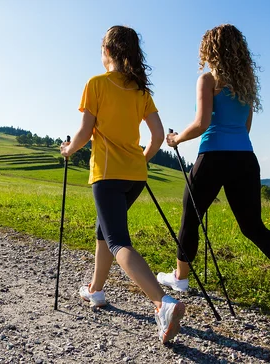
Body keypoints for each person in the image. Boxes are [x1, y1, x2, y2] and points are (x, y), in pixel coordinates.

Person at [156, 24, 270, 324]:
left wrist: (175, 140)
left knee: (189, 215)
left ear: (210, 50)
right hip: (245, 158)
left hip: (213, 156)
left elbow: (201, 123)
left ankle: (180, 278)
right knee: (254, 227)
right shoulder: (246, 84)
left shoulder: (207, 80)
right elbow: (245, 127)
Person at [60, 25, 185, 343]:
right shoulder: (141, 91)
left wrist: (68, 149)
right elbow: (157, 136)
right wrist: (141, 159)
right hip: (135, 176)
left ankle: (163, 303)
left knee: (117, 241)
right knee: (103, 231)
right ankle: (96, 290)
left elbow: (85, 132)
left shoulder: (96, 84)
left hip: (107, 174)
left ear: (108, 51)